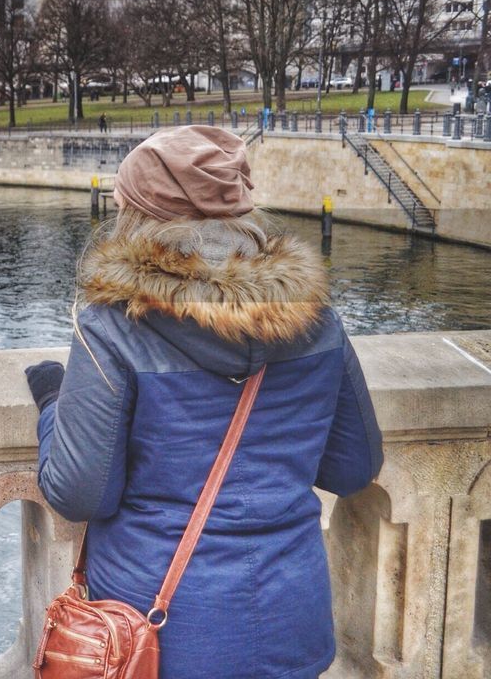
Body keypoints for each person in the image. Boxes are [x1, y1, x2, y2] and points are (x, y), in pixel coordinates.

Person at [27, 125, 381, 679]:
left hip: (160, 635)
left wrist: (53, 403)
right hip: (292, 622)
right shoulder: (319, 320)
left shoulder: (113, 327)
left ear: (139, 215)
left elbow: (79, 492)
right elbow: (353, 467)